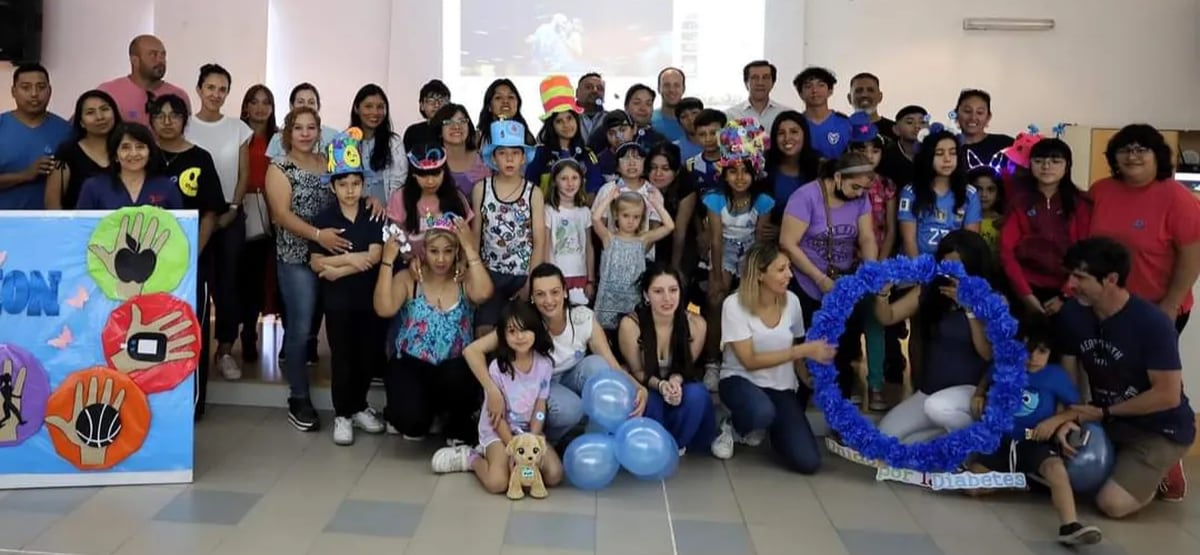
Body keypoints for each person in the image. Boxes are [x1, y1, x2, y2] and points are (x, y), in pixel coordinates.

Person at [1054, 237, 1194, 514]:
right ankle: (1123, 463)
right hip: (1107, 420)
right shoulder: (1072, 314)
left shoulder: (1152, 323)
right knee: (1060, 480)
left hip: (1158, 428)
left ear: (1111, 279)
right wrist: (1067, 418)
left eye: (1080, 277)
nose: (1070, 285)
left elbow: (1167, 395)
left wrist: (1104, 412)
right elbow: (1069, 377)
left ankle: (1162, 467)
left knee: (1112, 505)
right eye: (1070, 275)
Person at [463, 263, 645, 444]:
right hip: (541, 388)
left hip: (571, 378)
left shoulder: (582, 317)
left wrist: (638, 388)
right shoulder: (525, 322)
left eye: (555, 292)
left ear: (565, 291)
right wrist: (492, 390)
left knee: (598, 365)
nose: (549, 300)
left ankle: (595, 438)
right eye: (540, 294)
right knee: (571, 409)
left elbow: (611, 364)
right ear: (532, 297)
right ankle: (547, 442)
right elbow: (472, 351)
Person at [969, 317, 1102, 547]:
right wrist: (979, 394)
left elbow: (1082, 410)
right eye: (1027, 350)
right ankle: (1025, 481)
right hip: (1003, 440)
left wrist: (1055, 421)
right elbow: (986, 377)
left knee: (1056, 469)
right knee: (971, 486)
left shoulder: (1055, 376)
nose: (1033, 358)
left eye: (1041, 352)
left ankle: (1070, 525)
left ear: (1050, 353)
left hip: (1035, 439)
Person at [712, 242, 837, 470]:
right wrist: (805, 350)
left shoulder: (792, 301)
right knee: (761, 411)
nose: (789, 275)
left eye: (789, 268)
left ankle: (773, 431)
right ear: (760, 274)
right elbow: (749, 361)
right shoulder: (734, 305)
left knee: (808, 462)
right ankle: (733, 425)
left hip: (781, 388)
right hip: (740, 381)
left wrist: (805, 378)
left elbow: (794, 342)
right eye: (781, 270)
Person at [374, 212, 493, 444]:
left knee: (458, 377)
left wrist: (469, 249)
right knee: (412, 425)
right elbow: (383, 308)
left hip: (454, 367)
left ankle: (452, 418)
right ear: (424, 251)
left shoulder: (464, 278)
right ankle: (419, 411)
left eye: (448, 251)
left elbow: (485, 293)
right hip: (412, 362)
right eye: (434, 251)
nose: (441, 259)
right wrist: (387, 261)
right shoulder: (410, 278)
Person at [431, 301, 565, 496]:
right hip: (498, 432)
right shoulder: (497, 368)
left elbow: (540, 406)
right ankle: (471, 458)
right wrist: (514, 449)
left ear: (536, 331)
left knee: (554, 475)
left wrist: (533, 440)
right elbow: (497, 417)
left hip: (527, 432)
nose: (519, 337)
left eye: (525, 330)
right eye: (512, 331)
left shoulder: (544, 364)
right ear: (503, 335)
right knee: (498, 483)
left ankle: (521, 456)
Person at [149, 93, 229, 417]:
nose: (167, 121)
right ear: (151, 119)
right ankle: (154, 401)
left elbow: (211, 212)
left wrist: (192, 252)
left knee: (190, 329)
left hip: (195, 260)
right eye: (160, 115)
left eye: (174, 115)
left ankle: (192, 404)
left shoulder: (201, 158)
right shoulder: (141, 154)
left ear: (185, 120)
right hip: (146, 265)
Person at [874, 230, 994, 443]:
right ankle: (945, 441)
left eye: (958, 266)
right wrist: (883, 294)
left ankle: (973, 439)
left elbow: (987, 353)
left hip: (968, 392)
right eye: (947, 266)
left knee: (936, 407)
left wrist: (969, 309)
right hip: (930, 391)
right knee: (885, 437)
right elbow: (888, 317)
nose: (952, 274)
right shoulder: (932, 290)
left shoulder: (992, 298)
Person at [307, 128, 386, 446]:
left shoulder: (373, 213)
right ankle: (342, 413)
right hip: (338, 302)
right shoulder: (324, 216)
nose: (350, 190)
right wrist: (352, 263)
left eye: (355, 183)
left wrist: (338, 268)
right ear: (333, 186)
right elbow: (315, 263)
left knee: (368, 355)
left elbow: (375, 256)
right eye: (343, 184)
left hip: (370, 298)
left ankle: (359, 406)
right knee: (342, 356)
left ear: (363, 184)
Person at [778, 151, 878, 400]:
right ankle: (804, 391)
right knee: (810, 337)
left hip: (844, 279)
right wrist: (820, 279)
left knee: (844, 340)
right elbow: (788, 243)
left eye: (862, 189)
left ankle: (841, 394)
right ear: (837, 177)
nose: (858, 194)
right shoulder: (806, 196)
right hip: (806, 278)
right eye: (854, 187)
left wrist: (872, 270)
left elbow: (866, 237)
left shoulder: (860, 197)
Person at [264, 106, 337, 432]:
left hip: (333, 257)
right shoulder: (279, 168)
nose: (306, 133)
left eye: (311, 128)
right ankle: (299, 397)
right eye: (299, 128)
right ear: (287, 133)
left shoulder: (329, 164)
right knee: (302, 328)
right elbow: (281, 214)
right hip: (296, 259)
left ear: (319, 131)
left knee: (337, 325)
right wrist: (319, 236)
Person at [1089, 124, 1200, 337]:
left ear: (1158, 155)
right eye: (1124, 150)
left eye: (1142, 150)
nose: (1132, 156)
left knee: (1151, 370)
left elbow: (1192, 259)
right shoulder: (1101, 190)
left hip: (1156, 308)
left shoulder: (1178, 198)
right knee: (1105, 368)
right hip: (1105, 305)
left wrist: (1170, 305)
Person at [186, 64, 254, 383]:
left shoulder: (238, 128)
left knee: (229, 284)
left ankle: (225, 349)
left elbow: (243, 174)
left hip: (229, 215)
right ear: (199, 89)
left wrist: (234, 208)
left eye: (222, 89)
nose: (216, 94)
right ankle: (189, 350)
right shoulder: (184, 126)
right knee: (193, 283)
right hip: (193, 219)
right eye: (210, 87)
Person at [618, 265, 717, 457]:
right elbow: (637, 371)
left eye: (673, 290)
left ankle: (677, 444)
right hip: (644, 384)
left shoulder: (696, 324)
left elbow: (686, 368)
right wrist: (661, 385)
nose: (667, 298)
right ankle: (653, 444)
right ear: (646, 295)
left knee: (697, 393)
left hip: (676, 383)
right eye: (658, 291)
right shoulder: (631, 325)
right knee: (649, 400)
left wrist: (675, 382)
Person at [999, 138, 1091, 320]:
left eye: (1055, 161)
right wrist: (1025, 295)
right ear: (1030, 165)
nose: (1046, 166)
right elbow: (1006, 251)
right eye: (1039, 161)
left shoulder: (1080, 203)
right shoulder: (1019, 203)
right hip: (1024, 288)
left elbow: (1086, 252)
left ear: (1067, 165)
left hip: (1070, 291)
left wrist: (1065, 296)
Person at [847, 117, 904, 409]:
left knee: (875, 323)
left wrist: (879, 267)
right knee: (847, 324)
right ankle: (850, 380)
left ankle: (876, 385)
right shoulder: (841, 182)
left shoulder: (887, 186)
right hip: (845, 265)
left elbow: (891, 230)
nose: (869, 156)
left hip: (878, 265)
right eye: (862, 149)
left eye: (875, 150)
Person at [470, 120, 545, 337]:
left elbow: (539, 240)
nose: (509, 158)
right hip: (489, 273)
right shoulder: (481, 189)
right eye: (502, 153)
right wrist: (474, 273)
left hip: (521, 274)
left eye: (515, 153)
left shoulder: (534, 193)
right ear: (493, 158)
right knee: (484, 332)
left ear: (523, 158)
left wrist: (531, 282)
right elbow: (476, 235)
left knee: (519, 333)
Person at [237, 84, 280, 364]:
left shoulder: (280, 138)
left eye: (266, 102)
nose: (261, 108)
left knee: (275, 276)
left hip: (278, 208)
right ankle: (248, 333)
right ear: (246, 106)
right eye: (255, 102)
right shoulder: (238, 135)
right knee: (249, 277)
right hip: (245, 208)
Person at [592, 189, 675, 332]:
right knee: (605, 337)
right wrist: (609, 198)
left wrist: (655, 203)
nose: (631, 221)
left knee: (631, 336)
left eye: (636, 217)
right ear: (616, 215)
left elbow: (669, 226)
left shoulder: (643, 240)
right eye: (626, 216)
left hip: (632, 302)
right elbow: (595, 218)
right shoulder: (608, 238)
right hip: (607, 302)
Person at [898, 129, 982, 257]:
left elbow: (969, 242)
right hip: (915, 267)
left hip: (953, 267)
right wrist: (918, 272)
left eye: (952, 153)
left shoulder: (969, 193)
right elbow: (909, 241)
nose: (947, 159)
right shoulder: (910, 192)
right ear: (927, 156)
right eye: (939, 153)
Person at [0, 63, 71, 209]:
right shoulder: (2, 125)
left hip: (49, 224)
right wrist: (25, 175)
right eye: (26, 87)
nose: (34, 93)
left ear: (50, 91)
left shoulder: (66, 131)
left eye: (41, 87)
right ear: (13, 91)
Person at [385, 144, 472, 259]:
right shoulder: (399, 198)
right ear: (413, 174)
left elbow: (467, 240)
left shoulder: (456, 198)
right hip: (411, 267)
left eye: (436, 174)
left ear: (444, 172)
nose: (430, 181)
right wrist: (410, 261)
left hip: (450, 269)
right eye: (423, 175)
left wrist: (462, 262)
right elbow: (395, 241)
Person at [75, 123, 182, 210]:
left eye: (140, 147)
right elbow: (81, 229)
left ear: (150, 153)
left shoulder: (167, 187)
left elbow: (180, 229)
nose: (133, 153)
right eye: (125, 147)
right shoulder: (93, 187)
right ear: (115, 155)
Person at [526, 75, 602, 194]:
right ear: (552, 126)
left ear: (576, 120)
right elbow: (530, 188)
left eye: (569, 118)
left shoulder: (587, 154)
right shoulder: (539, 153)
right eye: (559, 121)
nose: (566, 125)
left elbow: (593, 192)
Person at [45, 90, 120, 210]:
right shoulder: (67, 153)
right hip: (78, 225)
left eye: (105, 109)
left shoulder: (128, 148)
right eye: (90, 113)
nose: (100, 117)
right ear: (81, 122)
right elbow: (52, 203)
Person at [97, 35, 191, 126]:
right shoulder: (108, 92)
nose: (160, 60)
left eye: (163, 55)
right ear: (135, 60)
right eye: (153, 54)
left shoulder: (179, 96)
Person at [542, 160, 594, 305]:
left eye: (574, 178)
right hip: (557, 275)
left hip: (580, 275)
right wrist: (547, 275)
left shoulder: (584, 212)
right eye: (564, 178)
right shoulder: (549, 210)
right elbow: (545, 245)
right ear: (554, 182)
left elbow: (589, 247)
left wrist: (590, 279)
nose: (570, 183)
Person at [349, 84, 408, 204]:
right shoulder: (345, 142)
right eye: (368, 106)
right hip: (353, 213)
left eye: (380, 107)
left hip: (386, 214)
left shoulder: (394, 142)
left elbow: (398, 183)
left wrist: (389, 213)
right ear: (356, 108)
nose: (375, 112)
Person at [265, 83, 340, 158]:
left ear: (318, 107)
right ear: (291, 106)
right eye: (301, 102)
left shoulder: (333, 136)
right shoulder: (277, 139)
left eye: (311, 102)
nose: (306, 106)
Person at [433, 103, 490, 198]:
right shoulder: (431, 164)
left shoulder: (484, 159)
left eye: (462, 121)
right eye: (448, 122)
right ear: (439, 131)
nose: (456, 127)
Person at [793, 67, 850, 160]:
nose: (815, 90)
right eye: (808, 86)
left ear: (830, 91)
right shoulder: (795, 125)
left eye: (821, 85)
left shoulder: (845, 123)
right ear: (801, 94)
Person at [954, 89, 1014, 171]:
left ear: (988, 117)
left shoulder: (1006, 145)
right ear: (956, 114)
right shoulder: (948, 148)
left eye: (979, 112)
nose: (973, 117)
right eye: (967, 111)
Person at [726, 60, 791, 132]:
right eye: (754, 78)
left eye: (765, 77)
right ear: (746, 83)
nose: (760, 83)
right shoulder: (731, 115)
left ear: (773, 83)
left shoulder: (786, 114)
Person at [877, 105, 926, 188]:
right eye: (910, 122)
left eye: (922, 122)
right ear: (896, 130)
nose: (917, 126)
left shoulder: (934, 152)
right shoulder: (886, 156)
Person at [477, 79, 536, 146]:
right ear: (489, 106)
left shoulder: (527, 137)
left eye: (510, 97)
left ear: (517, 104)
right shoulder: (477, 138)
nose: (505, 101)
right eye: (498, 97)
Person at [402, 79, 450, 151]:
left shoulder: (454, 129)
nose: (436, 105)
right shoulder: (413, 132)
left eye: (441, 100)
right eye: (431, 101)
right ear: (422, 105)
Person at [847, 72, 895, 141]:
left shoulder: (897, 131)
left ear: (880, 96)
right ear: (849, 98)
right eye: (858, 91)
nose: (864, 95)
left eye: (870, 90)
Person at [651, 67, 687, 142]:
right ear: (658, 88)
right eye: (666, 85)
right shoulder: (648, 120)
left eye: (676, 85)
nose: (671, 90)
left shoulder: (695, 122)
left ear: (683, 89)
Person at [576, 72, 607, 140]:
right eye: (588, 87)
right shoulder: (564, 118)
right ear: (577, 92)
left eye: (599, 88)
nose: (595, 90)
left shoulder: (611, 118)